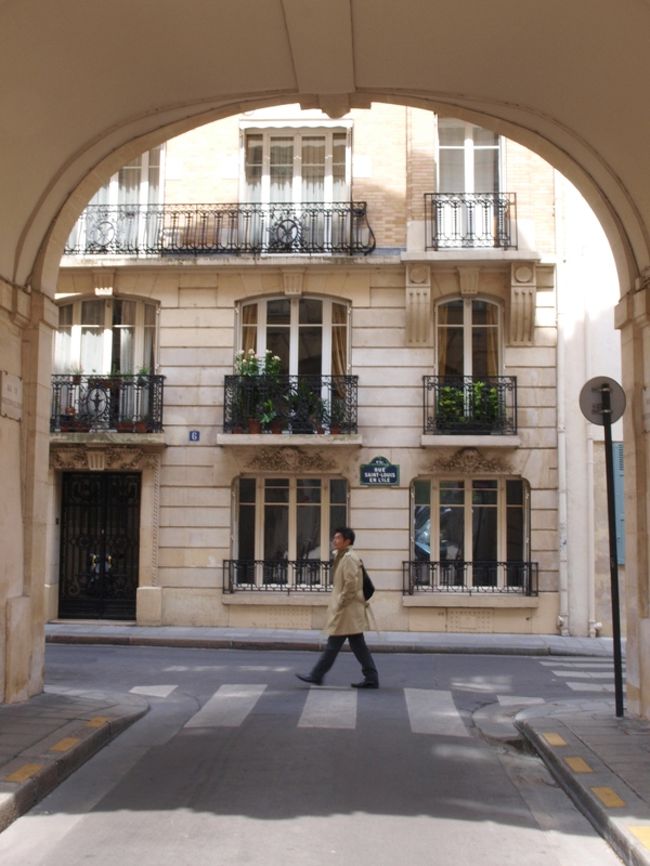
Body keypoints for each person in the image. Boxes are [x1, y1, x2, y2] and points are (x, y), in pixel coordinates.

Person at [296, 526, 379, 689]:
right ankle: (371, 677)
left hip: (347, 609)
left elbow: (351, 585)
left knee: (333, 644)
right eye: (334, 537)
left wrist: (341, 602)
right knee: (357, 645)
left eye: (338, 538)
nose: (334, 540)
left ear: (347, 541)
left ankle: (316, 675)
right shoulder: (342, 556)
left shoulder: (349, 558)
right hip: (349, 609)